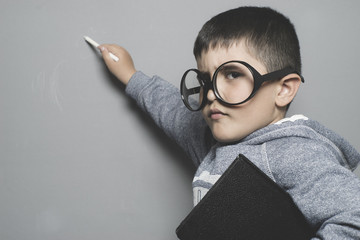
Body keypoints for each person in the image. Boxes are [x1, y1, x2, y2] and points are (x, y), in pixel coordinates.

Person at [98, 6, 360, 239]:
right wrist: (131, 76)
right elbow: (171, 110)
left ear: (283, 90)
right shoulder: (211, 143)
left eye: (233, 74)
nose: (211, 93)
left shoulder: (293, 153)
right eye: (204, 80)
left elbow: (354, 219)